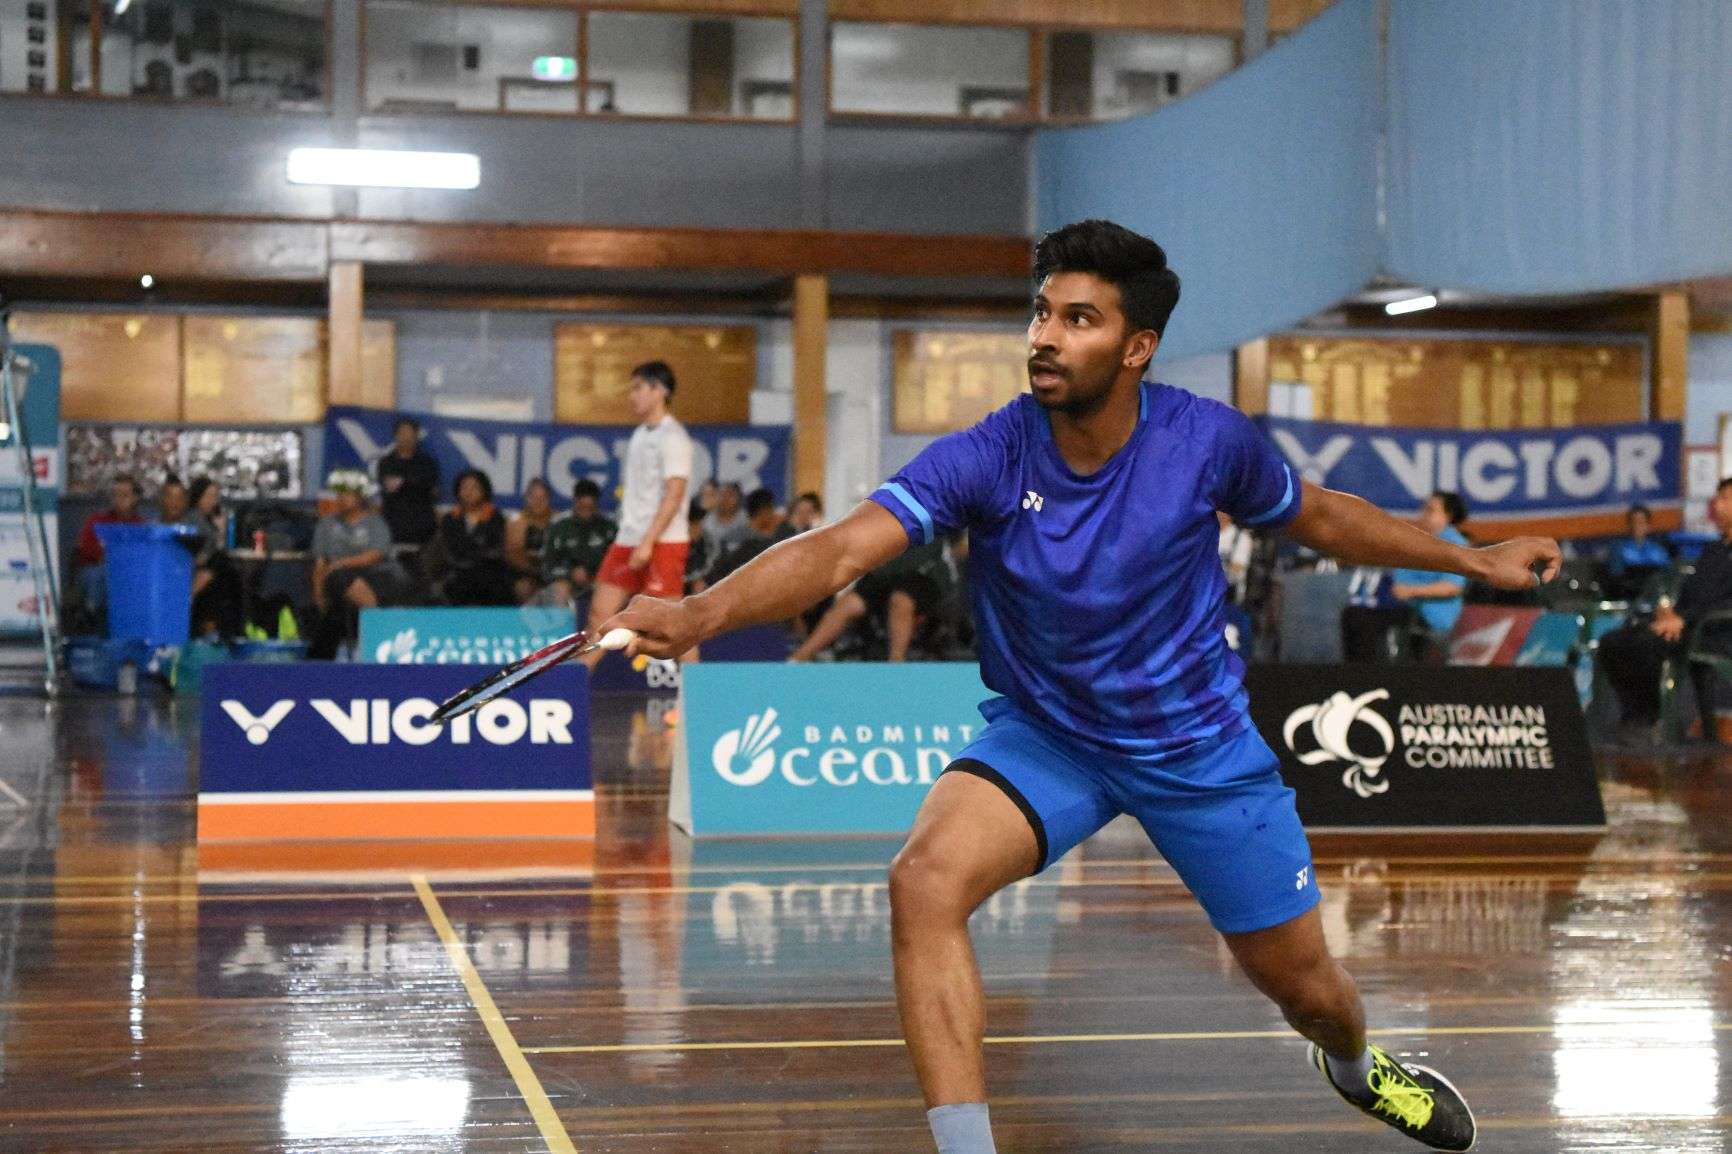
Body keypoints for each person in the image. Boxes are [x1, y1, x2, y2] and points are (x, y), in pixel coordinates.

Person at [603, 220, 1560, 1154]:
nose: (1046, 338)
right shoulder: (992, 451)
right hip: (1050, 738)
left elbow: (1318, 517)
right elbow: (847, 545)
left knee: (1309, 991)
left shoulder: (1206, 442)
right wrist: (699, 614)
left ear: (1138, 347)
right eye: (1041, 314)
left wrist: (1472, 561)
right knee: (923, 882)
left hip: (1197, 749)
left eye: (1079, 320)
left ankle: (1356, 1068)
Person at [580, 361, 692, 668]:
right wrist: (635, 539)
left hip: (663, 542)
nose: (632, 396)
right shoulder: (640, 434)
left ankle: (697, 701)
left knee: (675, 627)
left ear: (659, 391)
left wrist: (648, 541)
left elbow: (675, 494)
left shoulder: (674, 437)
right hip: (628, 537)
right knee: (600, 617)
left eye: (638, 388)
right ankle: (572, 693)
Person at [1598, 479, 1732, 736]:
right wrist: (1669, 612)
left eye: (1725, 498)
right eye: (1718, 498)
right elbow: (1692, 592)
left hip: (1717, 633)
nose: (1718, 504)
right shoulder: (1714, 550)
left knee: (1646, 645)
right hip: (1685, 626)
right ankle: (1639, 715)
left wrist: (1685, 619)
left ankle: (1650, 719)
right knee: (1613, 642)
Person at [1338, 491, 1470, 662]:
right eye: (1424, 509)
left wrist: (1411, 590)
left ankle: (1367, 678)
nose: (1424, 514)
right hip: (1401, 606)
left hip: (1425, 614)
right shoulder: (1419, 540)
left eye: (1431, 510)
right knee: (1352, 613)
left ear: (1448, 515)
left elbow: (1453, 587)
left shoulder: (1454, 543)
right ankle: (1354, 675)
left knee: (1362, 619)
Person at [787, 537, 953, 662]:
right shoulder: (886, 509)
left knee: (900, 600)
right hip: (887, 574)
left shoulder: (936, 509)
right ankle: (797, 660)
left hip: (924, 576)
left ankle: (896, 666)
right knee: (848, 605)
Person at [309, 470, 408, 660]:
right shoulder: (326, 524)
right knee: (337, 582)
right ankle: (376, 626)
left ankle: (376, 626)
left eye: (347, 494)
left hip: (377, 575)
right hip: (340, 581)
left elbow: (377, 554)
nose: (342, 499)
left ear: (360, 497)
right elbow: (320, 562)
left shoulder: (375, 523)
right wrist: (318, 592)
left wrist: (341, 563)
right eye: (339, 494)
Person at [434, 469, 514, 606]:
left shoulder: (495, 517)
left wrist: (474, 555)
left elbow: (495, 549)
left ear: (484, 490)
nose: (469, 492)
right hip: (458, 573)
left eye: (474, 487)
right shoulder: (450, 518)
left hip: (489, 574)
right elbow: (450, 549)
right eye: (465, 487)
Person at [74, 475, 145, 627]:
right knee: (101, 574)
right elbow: (84, 547)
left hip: (128, 574)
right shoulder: (97, 520)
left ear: (135, 498)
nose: (119, 499)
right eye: (116, 495)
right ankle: (90, 614)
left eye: (124, 495)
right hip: (96, 569)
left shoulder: (140, 526)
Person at [536, 478, 617, 608]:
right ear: (574, 501)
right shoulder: (559, 527)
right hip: (566, 581)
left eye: (590, 508)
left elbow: (617, 563)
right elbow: (547, 565)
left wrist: (598, 577)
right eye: (582, 507)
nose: (586, 512)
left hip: (599, 581)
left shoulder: (609, 528)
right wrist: (570, 573)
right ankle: (561, 628)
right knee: (560, 589)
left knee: (611, 591)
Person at [700, 488, 798, 590]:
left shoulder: (783, 532)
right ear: (764, 512)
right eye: (772, 509)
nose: (774, 514)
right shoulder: (737, 538)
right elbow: (719, 572)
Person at [182, 476, 243, 639]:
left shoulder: (208, 521)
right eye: (208, 496)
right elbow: (199, 555)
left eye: (215, 497)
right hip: (198, 576)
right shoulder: (194, 519)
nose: (212, 501)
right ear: (198, 497)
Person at [376, 416, 439, 545]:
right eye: (402, 433)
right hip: (393, 523)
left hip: (422, 524)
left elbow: (432, 491)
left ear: (417, 437)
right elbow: (389, 490)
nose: (406, 437)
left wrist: (404, 483)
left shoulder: (427, 463)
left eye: (410, 433)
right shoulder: (386, 463)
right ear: (395, 436)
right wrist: (414, 483)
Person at [1603, 502, 1673, 600]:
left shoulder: (1658, 550)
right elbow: (1615, 576)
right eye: (1635, 522)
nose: (1638, 526)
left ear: (1648, 526)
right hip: (1627, 596)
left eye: (1642, 522)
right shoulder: (1619, 549)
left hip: (1654, 597)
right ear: (1629, 525)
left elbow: (1668, 575)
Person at [506, 477, 555, 603]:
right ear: (526, 498)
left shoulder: (558, 521)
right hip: (525, 574)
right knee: (524, 588)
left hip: (554, 573)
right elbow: (514, 556)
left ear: (549, 499)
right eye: (533, 497)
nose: (538, 502)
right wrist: (535, 571)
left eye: (542, 498)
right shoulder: (517, 522)